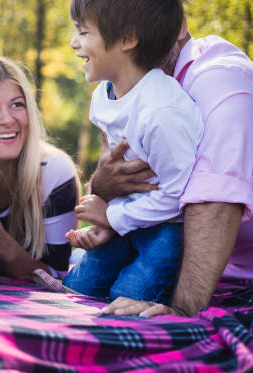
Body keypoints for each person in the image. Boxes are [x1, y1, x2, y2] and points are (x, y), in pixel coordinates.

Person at [98, 20, 253, 316]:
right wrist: (103, 188)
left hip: (237, 282)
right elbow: (123, 185)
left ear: (176, 25)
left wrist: (181, 310)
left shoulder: (220, 78)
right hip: (193, 267)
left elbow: (216, 199)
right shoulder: (137, 90)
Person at [61, 0, 205, 303]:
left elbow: (178, 196)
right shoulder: (103, 94)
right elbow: (112, 165)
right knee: (80, 287)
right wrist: (103, 219)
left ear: (128, 38)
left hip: (168, 226)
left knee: (129, 298)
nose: (74, 43)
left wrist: (113, 217)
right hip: (128, 218)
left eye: (84, 32)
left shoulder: (161, 112)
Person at [0, 55, 80, 280]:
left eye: (17, 105)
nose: (7, 120)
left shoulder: (54, 174)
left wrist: (7, 249)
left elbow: (57, 274)